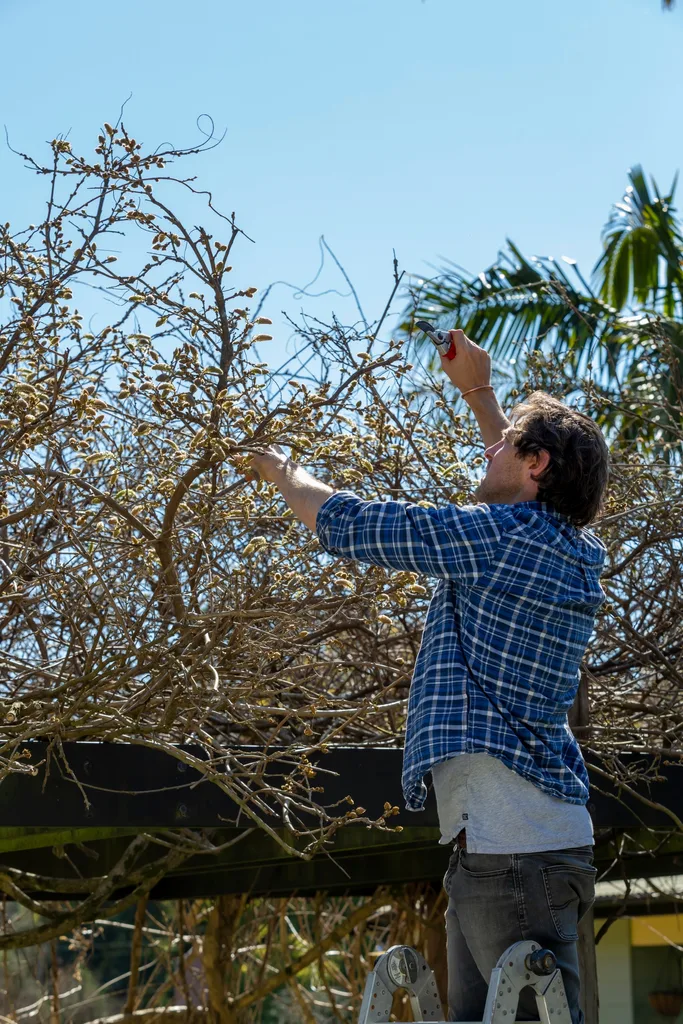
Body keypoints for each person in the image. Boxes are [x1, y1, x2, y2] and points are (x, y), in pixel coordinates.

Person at [247, 329, 610, 1024]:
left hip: (511, 860)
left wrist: (283, 472)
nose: (489, 447)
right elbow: (518, 474)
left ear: (535, 465)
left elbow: (352, 523)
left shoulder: (499, 541)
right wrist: (479, 394)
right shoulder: (564, 547)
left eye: (506, 444)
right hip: (519, 852)